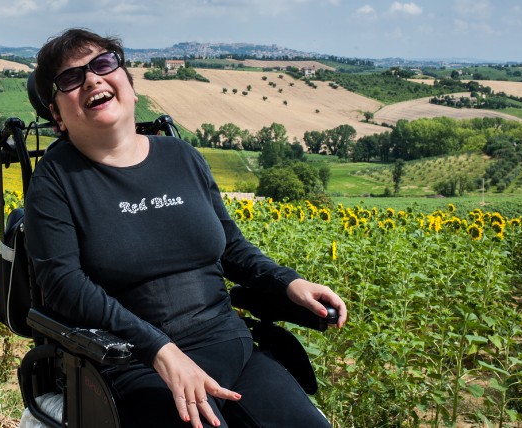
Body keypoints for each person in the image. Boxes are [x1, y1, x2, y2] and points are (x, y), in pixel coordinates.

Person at [24, 28, 347, 428]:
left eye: (104, 64)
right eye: (70, 79)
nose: (92, 79)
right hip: (135, 362)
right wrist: (159, 349)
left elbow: (230, 247)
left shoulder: (182, 157)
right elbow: (62, 284)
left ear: (129, 84)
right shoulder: (55, 180)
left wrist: (288, 283)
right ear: (56, 115)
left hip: (231, 345)